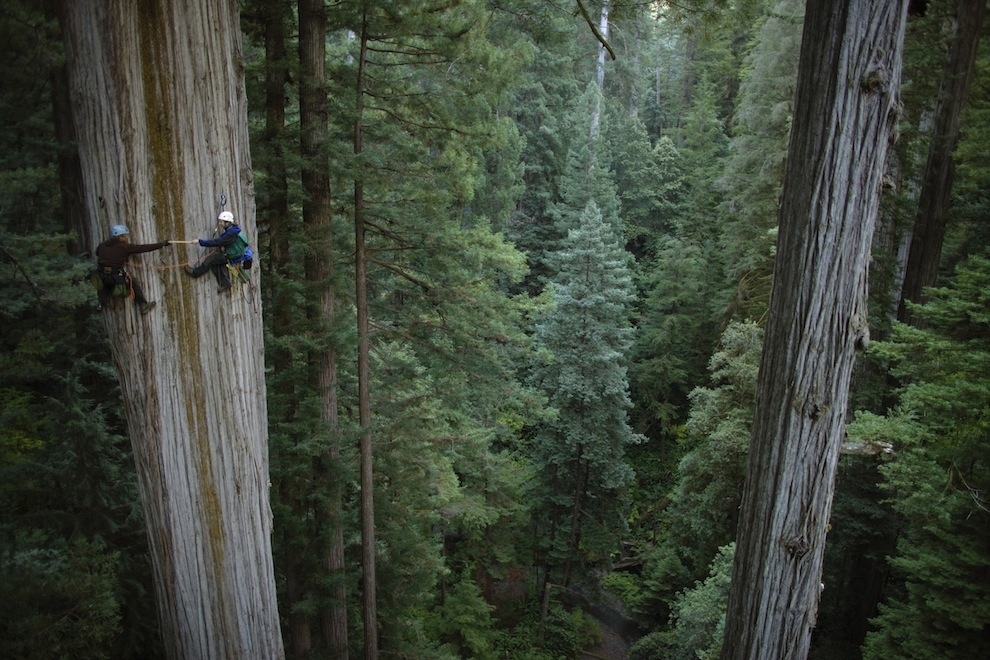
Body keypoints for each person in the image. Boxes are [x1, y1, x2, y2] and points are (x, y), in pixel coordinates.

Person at [95, 224, 171, 315]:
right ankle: (143, 305)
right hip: (115, 276)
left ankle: (100, 304)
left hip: (101, 275)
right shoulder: (125, 247)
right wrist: (162, 244)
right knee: (132, 282)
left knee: (105, 284)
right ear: (120, 236)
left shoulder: (103, 245)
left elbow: (97, 253)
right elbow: (143, 248)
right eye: (125, 236)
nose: (127, 238)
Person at [185, 211, 253, 294]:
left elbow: (217, 242)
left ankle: (195, 273)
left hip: (233, 256)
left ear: (227, 222)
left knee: (211, 259)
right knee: (215, 264)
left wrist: (200, 242)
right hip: (237, 254)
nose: (220, 223)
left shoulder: (231, 233)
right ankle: (225, 284)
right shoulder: (234, 230)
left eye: (221, 222)